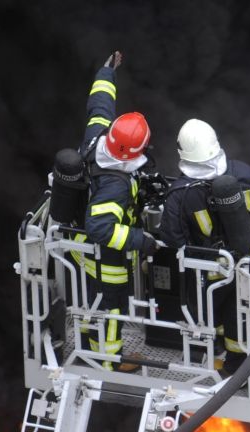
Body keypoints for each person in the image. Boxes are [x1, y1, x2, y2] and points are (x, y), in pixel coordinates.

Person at [160, 119, 250, 375]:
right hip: (247, 267)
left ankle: (212, 349)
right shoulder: (243, 173)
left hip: (207, 274)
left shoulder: (179, 195)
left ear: (183, 154)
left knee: (209, 315)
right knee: (241, 314)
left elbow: (172, 238)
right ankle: (237, 366)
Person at [74, 51, 158, 370]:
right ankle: (109, 359)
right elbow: (101, 229)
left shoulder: (97, 137)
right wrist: (140, 239)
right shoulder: (116, 186)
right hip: (107, 255)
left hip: (83, 244)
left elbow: (99, 106)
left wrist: (106, 73)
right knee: (113, 304)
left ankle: (87, 336)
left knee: (92, 296)